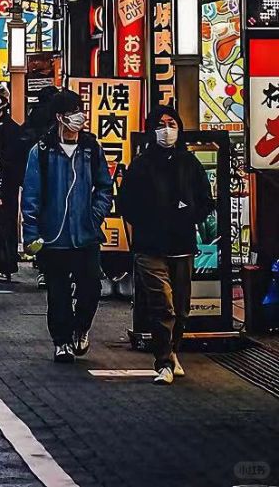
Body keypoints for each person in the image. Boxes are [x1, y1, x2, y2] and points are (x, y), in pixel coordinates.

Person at [119, 105, 214, 385]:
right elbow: (126, 203)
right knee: (162, 306)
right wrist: (148, 220)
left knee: (181, 309)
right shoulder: (141, 164)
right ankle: (163, 362)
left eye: (171, 123)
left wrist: (189, 215)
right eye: (160, 124)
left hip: (182, 245)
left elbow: (206, 200)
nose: (166, 130)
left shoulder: (189, 163)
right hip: (149, 247)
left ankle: (173, 352)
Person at [21, 88, 113, 362]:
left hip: (86, 234)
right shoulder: (42, 151)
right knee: (58, 292)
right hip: (54, 236)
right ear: (60, 117)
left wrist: (95, 215)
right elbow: (31, 194)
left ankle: (81, 328)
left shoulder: (91, 148)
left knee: (91, 288)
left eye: (80, 110)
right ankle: (61, 341)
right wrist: (31, 233)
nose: (79, 117)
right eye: (73, 112)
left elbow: (104, 187)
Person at [0, 85, 26, 282]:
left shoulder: (13, 131)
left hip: (7, 186)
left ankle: (5, 263)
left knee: (5, 224)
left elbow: (17, 161)